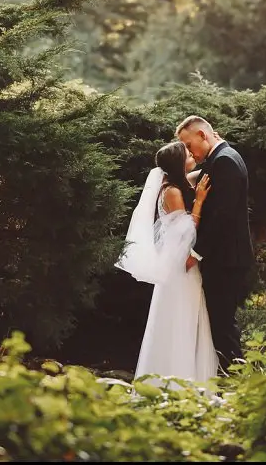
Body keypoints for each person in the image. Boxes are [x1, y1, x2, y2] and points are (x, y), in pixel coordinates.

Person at [115, 141, 219, 386]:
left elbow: (202, 174)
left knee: (187, 316)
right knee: (181, 318)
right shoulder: (171, 191)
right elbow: (186, 232)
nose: (191, 153)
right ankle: (178, 381)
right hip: (180, 269)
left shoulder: (176, 183)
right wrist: (200, 201)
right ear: (178, 161)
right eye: (186, 152)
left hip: (177, 266)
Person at [175, 115, 253, 374]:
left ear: (202, 136)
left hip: (226, 260)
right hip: (226, 259)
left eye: (189, 145)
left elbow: (222, 216)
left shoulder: (225, 162)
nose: (189, 152)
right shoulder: (221, 158)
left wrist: (196, 253)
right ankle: (231, 379)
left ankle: (237, 382)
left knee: (222, 325)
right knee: (220, 323)